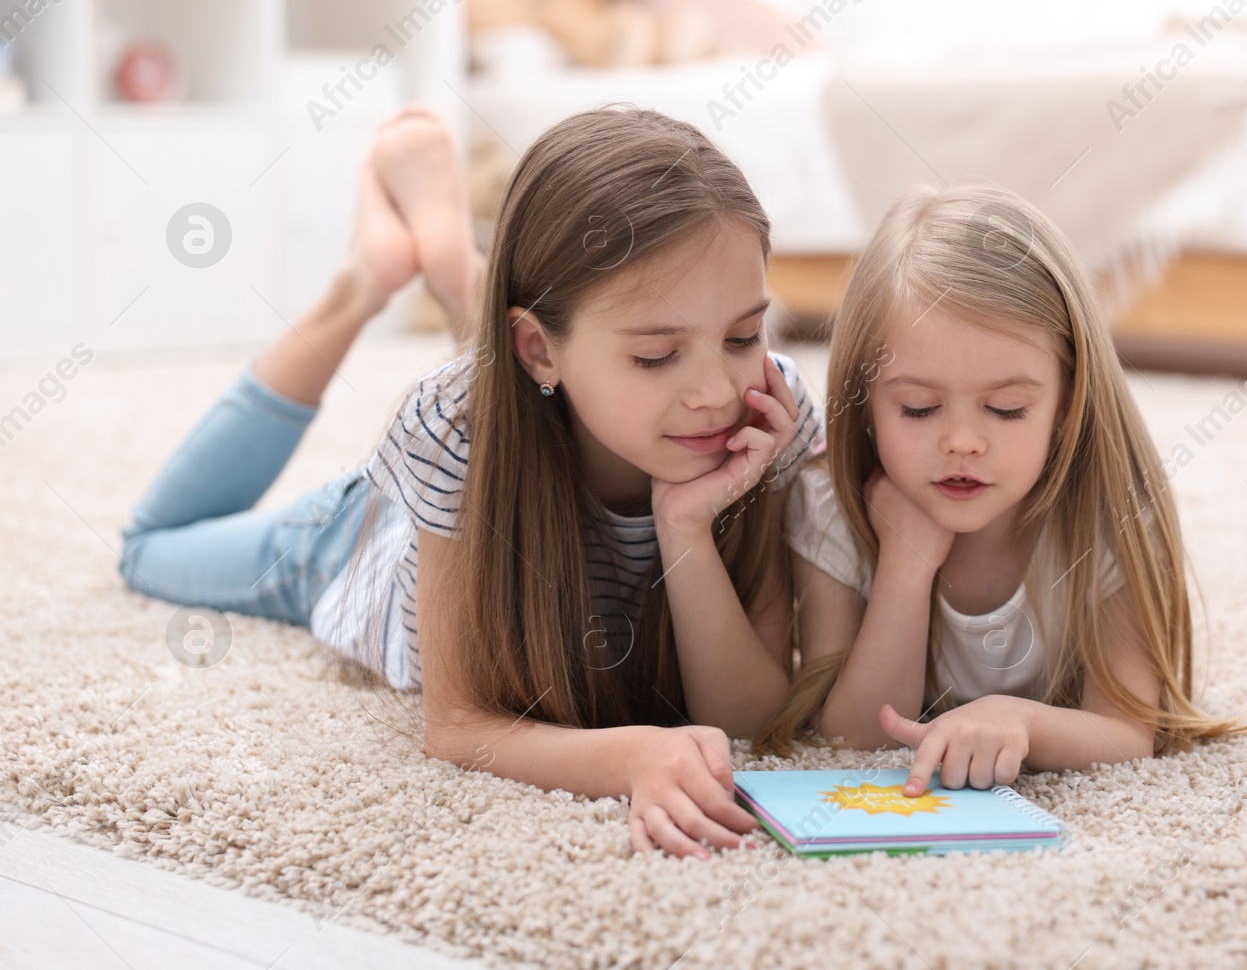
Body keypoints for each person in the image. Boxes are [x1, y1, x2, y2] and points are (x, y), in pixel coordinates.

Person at [120, 107, 823, 859]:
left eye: (744, 336)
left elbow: (748, 719)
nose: (716, 389)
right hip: (356, 543)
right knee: (145, 549)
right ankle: (364, 282)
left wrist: (684, 528)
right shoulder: (448, 425)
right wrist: (629, 756)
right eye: (657, 355)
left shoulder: (764, 417)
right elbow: (458, 727)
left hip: (522, 389)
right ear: (538, 349)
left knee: (531, 374)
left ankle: (458, 266)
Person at [755, 184, 1247, 795]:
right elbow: (850, 739)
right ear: (866, 403)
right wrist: (906, 565)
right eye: (919, 408)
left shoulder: (1111, 513)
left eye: (1006, 409)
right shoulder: (830, 510)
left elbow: (1128, 734)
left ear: (1067, 404)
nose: (962, 442)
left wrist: (1021, 722)